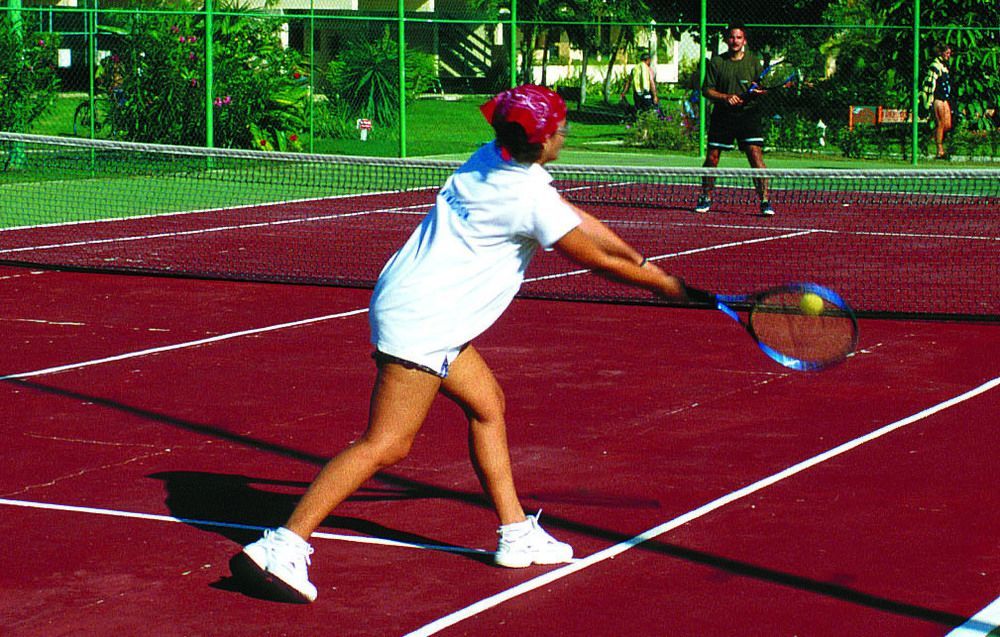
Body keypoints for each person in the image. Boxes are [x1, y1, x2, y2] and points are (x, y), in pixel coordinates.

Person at [228, 84, 700, 604]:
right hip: (423, 319)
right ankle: (282, 546)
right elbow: (597, 260)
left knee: (488, 405)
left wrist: (644, 261)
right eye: (561, 127)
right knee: (387, 443)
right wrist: (670, 287)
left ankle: (515, 532)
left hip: (420, 304)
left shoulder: (492, 159)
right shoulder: (526, 198)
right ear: (542, 142)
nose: (566, 131)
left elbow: (580, 222)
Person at [695, 24, 774, 217]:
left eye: (739, 38)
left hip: (748, 115)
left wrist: (756, 92)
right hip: (723, 116)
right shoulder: (716, 62)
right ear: (726, 40)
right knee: (712, 158)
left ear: (744, 40)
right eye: (731, 37)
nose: (735, 41)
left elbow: (760, 88)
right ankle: (705, 196)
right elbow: (707, 90)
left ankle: (765, 200)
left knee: (755, 156)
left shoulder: (754, 62)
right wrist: (726, 97)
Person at [921, 42, 953, 159]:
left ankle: (927, 139)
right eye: (947, 53)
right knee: (941, 123)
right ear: (941, 53)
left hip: (945, 99)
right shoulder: (935, 66)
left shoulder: (944, 67)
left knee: (948, 125)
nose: (949, 55)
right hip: (938, 99)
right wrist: (928, 101)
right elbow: (930, 84)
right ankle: (940, 151)